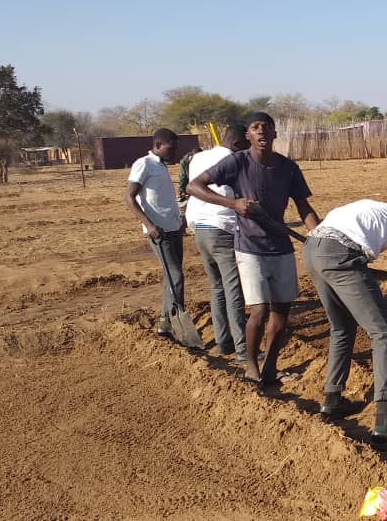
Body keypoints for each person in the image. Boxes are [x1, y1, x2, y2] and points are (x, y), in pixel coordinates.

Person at [187, 112, 321, 390]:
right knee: (258, 312)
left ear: (274, 134)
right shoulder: (237, 162)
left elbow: (303, 206)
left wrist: (320, 235)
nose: (261, 132)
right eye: (255, 128)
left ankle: (270, 367)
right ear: (247, 135)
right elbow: (193, 186)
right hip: (249, 247)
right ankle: (250, 365)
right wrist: (232, 203)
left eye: (266, 128)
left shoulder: (288, 168)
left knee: (281, 316)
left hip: (281, 247)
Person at [302, 198, 387, 449]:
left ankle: (332, 401)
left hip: (312, 250)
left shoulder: (376, 208)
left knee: (342, 328)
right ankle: (385, 425)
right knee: (383, 332)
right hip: (341, 254)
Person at [186, 124, 251, 362]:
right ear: (237, 144)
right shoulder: (233, 160)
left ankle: (224, 343)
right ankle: (243, 349)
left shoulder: (200, 157)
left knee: (217, 288)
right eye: (246, 146)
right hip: (220, 227)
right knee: (234, 288)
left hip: (199, 229)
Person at [126, 128, 185, 337]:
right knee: (176, 277)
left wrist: (180, 220)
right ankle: (177, 323)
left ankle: (165, 323)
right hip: (159, 232)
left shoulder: (161, 166)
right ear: (158, 145)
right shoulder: (144, 164)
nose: (175, 151)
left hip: (174, 228)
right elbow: (130, 198)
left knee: (172, 278)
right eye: (172, 147)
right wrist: (149, 225)